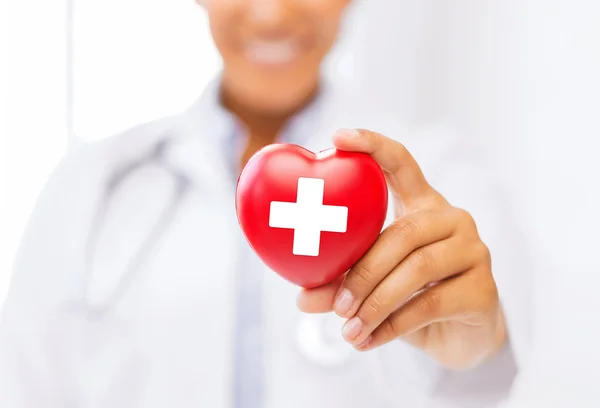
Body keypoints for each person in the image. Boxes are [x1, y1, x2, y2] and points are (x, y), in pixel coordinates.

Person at [0, 0, 531, 407]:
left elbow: (497, 380)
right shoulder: (92, 185)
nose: (273, 13)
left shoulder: (444, 176)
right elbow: (27, 384)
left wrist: (480, 343)